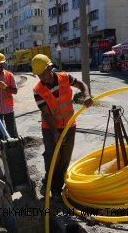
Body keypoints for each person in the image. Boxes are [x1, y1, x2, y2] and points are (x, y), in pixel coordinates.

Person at [31, 54, 93, 202]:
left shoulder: (65, 77)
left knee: (65, 158)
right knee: (53, 158)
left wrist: (86, 95)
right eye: (39, 75)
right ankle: (51, 187)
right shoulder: (37, 90)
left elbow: (81, 84)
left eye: (44, 73)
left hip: (70, 125)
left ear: (50, 68)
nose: (42, 78)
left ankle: (57, 187)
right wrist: (54, 132)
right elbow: (46, 113)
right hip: (50, 127)